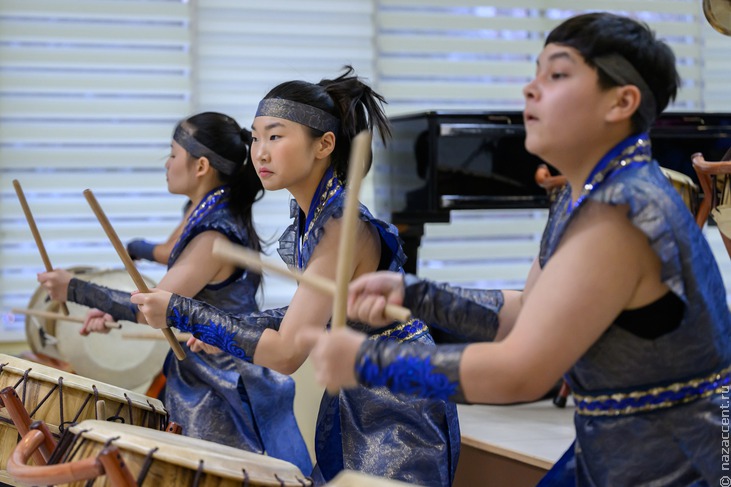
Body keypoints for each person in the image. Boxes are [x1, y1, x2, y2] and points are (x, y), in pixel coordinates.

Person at [309, 13, 729, 486]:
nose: (531, 89)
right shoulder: (585, 193)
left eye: (557, 74)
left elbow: (521, 372)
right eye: (535, 72)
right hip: (625, 443)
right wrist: (415, 294)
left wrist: (370, 362)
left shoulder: (622, 212)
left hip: (679, 459)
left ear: (621, 101)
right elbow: (530, 309)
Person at [132, 67, 460, 486]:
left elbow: (287, 354)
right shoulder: (316, 215)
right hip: (359, 384)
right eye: (255, 136)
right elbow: (314, 311)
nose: (260, 152)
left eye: (276, 135)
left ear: (324, 144)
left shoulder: (339, 225)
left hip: (395, 392)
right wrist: (231, 326)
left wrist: (184, 312)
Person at [37, 112, 312, 474]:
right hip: (206, 373)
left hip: (225, 387)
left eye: (171, 153)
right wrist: (111, 310)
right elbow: (170, 272)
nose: (166, 164)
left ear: (200, 166)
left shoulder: (214, 232)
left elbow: (153, 306)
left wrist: (72, 287)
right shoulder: (205, 209)